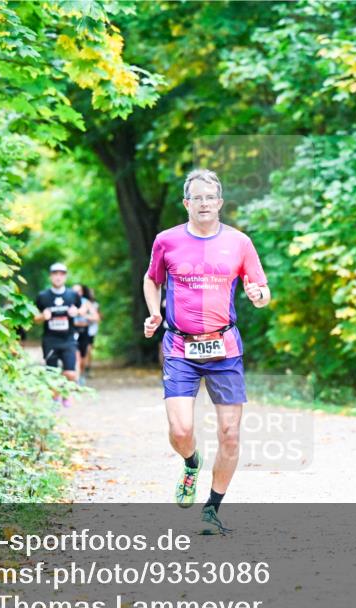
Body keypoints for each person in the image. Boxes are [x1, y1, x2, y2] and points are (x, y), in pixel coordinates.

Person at [143, 168, 271, 535]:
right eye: (196, 197)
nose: (204, 203)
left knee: (230, 434)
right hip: (179, 346)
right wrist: (154, 313)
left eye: (209, 197)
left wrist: (258, 295)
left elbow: (262, 291)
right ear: (186, 203)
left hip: (224, 348)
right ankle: (190, 462)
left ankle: (212, 509)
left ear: (220, 202)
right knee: (181, 429)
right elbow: (152, 279)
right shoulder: (166, 240)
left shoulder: (239, 242)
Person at [35, 263, 82, 404]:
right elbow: (34, 318)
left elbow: (82, 309)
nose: (58, 277)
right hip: (50, 340)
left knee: (70, 373)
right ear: (50, 276)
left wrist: (76, 312)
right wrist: (43, 316)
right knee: (52, 373)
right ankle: (55, 399)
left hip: (68, 339)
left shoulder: (72, 295)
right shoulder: (42, 296)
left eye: (61, 274)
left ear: (65, 277)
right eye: (55, 274)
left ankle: (66, 394)